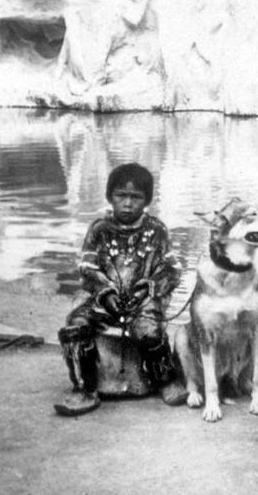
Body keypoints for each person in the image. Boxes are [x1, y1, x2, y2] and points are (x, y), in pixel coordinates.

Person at [55, 163, 182, 416]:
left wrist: (146, 290)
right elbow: (87, 268)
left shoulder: (157, 230)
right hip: (104, 299)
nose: (127, 204)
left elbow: (172, 269)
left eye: (136, 197)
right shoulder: (99, 229)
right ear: (109, 197)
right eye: (121, 196)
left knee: (149, 330)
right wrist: (106, 292)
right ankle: (84, 388)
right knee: (76, 324)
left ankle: (165, 380)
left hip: (142, 301)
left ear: (147, 200)